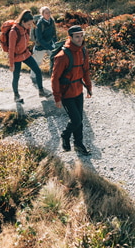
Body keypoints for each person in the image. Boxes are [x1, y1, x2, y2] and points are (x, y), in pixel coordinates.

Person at [51, 25, 93, 155]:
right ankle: (65, 135)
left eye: (81, 36)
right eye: (77, 37)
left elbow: (85, 71)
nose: (80, 39)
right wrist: (57, 98)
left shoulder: (83, 51)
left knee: (79, 119)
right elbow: (55, 78)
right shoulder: (62, 56)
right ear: (70, 37)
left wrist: (89, 87)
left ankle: (79, 144)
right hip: (66, 94)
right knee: (76, 120)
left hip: (78, 91)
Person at [8, 9, 51, 102]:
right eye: (28, 24)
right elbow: (11, 49)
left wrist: (30, 53)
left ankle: (41, 91)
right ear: (23, 21)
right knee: (16, 76)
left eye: (31, 24)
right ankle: (16, 96)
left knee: (38, 71)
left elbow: (26, 42)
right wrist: (11, 64)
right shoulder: (13, 32)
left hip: (25, 54)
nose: (30, 26)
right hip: (16, 57)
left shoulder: (26, 28)